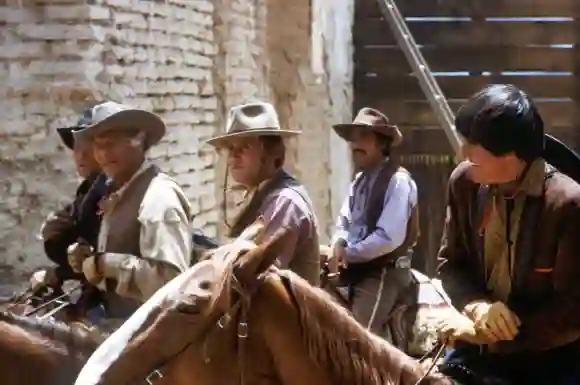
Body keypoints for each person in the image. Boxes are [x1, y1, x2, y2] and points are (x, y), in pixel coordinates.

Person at [437, 84, 580, 385]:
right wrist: (477, 307)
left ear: (511, 155)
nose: (463, 152)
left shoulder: (568, 204)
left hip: (551, 358)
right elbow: (450, 264)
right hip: (478, 347)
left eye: (475, 144)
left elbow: (573, 308)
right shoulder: (463, 183)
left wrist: (494, 337)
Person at [66, 101, 193, 324]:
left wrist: (106, 265)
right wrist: (90, 258)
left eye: (111, 144)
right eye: (98, 145)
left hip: (149, 338)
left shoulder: (158, 197)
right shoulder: (119, 190)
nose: (103, 154)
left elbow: (171, 281)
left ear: (139, 140)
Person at [206, 101, 320, 286]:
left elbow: (256, 277)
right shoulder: (265, 194)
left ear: (271, 152)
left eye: (244, 146)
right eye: (231, 148)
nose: (234, 156)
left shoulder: (284, 202)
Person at [329, 107, 419, 341]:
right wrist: (338, 241)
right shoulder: (359, 181)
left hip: (383, 270)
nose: (355, 145)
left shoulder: (398, 181)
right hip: (355, 265)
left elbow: (388, 239)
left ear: (382, 144)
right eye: (353, 139)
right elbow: (344, 220)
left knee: (356, 339)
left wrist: (347, 254)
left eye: (364, 138)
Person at [31, 109, 108, 316]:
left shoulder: (110, 190)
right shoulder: (88, 190)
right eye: (76, 148)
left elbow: (100, 256)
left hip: (114, 303)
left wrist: (56, 274)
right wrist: (53, 232)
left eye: (88, 148)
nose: (80, 156)